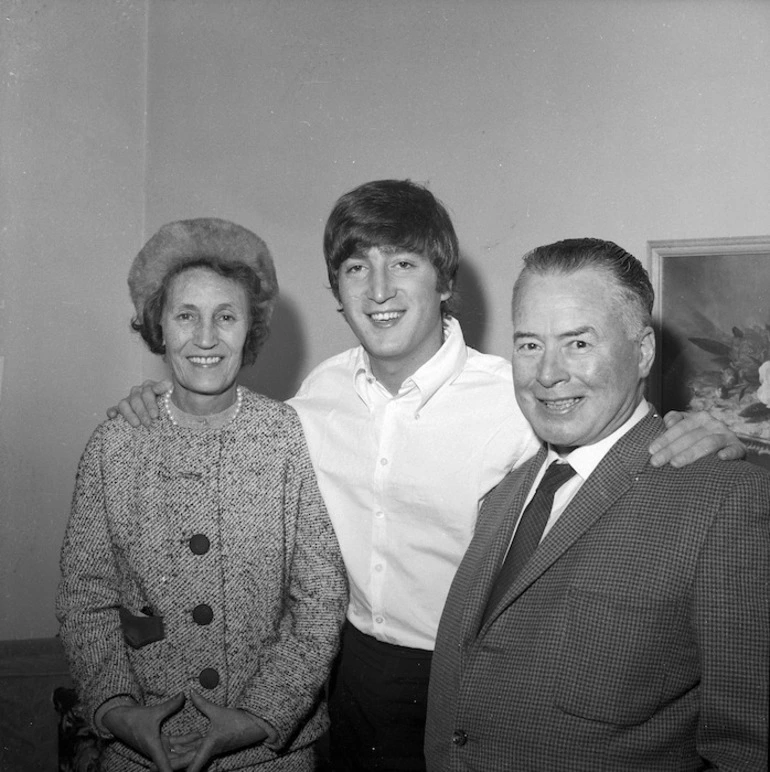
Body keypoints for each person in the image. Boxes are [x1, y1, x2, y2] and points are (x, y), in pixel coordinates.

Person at [110, 182, 745, 771]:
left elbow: (614, 443)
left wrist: (713, 429)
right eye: (358, 268)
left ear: (444, 280)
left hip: (478, 679)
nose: (379, 290)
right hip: (347, 671)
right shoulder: (318, 394)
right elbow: (233, 426)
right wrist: (157, 402)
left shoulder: (521, 396)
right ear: (337, 290)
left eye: (404, 264)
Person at [425, 238, 769, 770]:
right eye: (529, 345)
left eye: (579, 343)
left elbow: (750, 746)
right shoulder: (503, 494)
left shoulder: (725, 501)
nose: (547, 374)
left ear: (644, 352)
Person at [57, 218, 347, 772]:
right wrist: (117, 710)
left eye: (226, 317)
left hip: (268, 752)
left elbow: (321, 599)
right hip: (140, 752)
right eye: (186, 315)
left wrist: (263, 714)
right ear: (158, 326)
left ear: (251, 329)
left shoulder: (288, 438)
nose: (206, 337)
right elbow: (84, 597)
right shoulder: (114, 446)